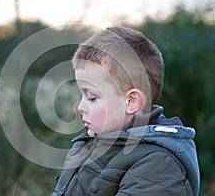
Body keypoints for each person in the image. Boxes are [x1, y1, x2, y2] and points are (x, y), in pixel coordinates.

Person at [52, 26, 200, 196]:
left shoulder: (157, 166)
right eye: (82, 95)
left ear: (131, 102)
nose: (80, 107)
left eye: (92, 97)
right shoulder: (89, 145)